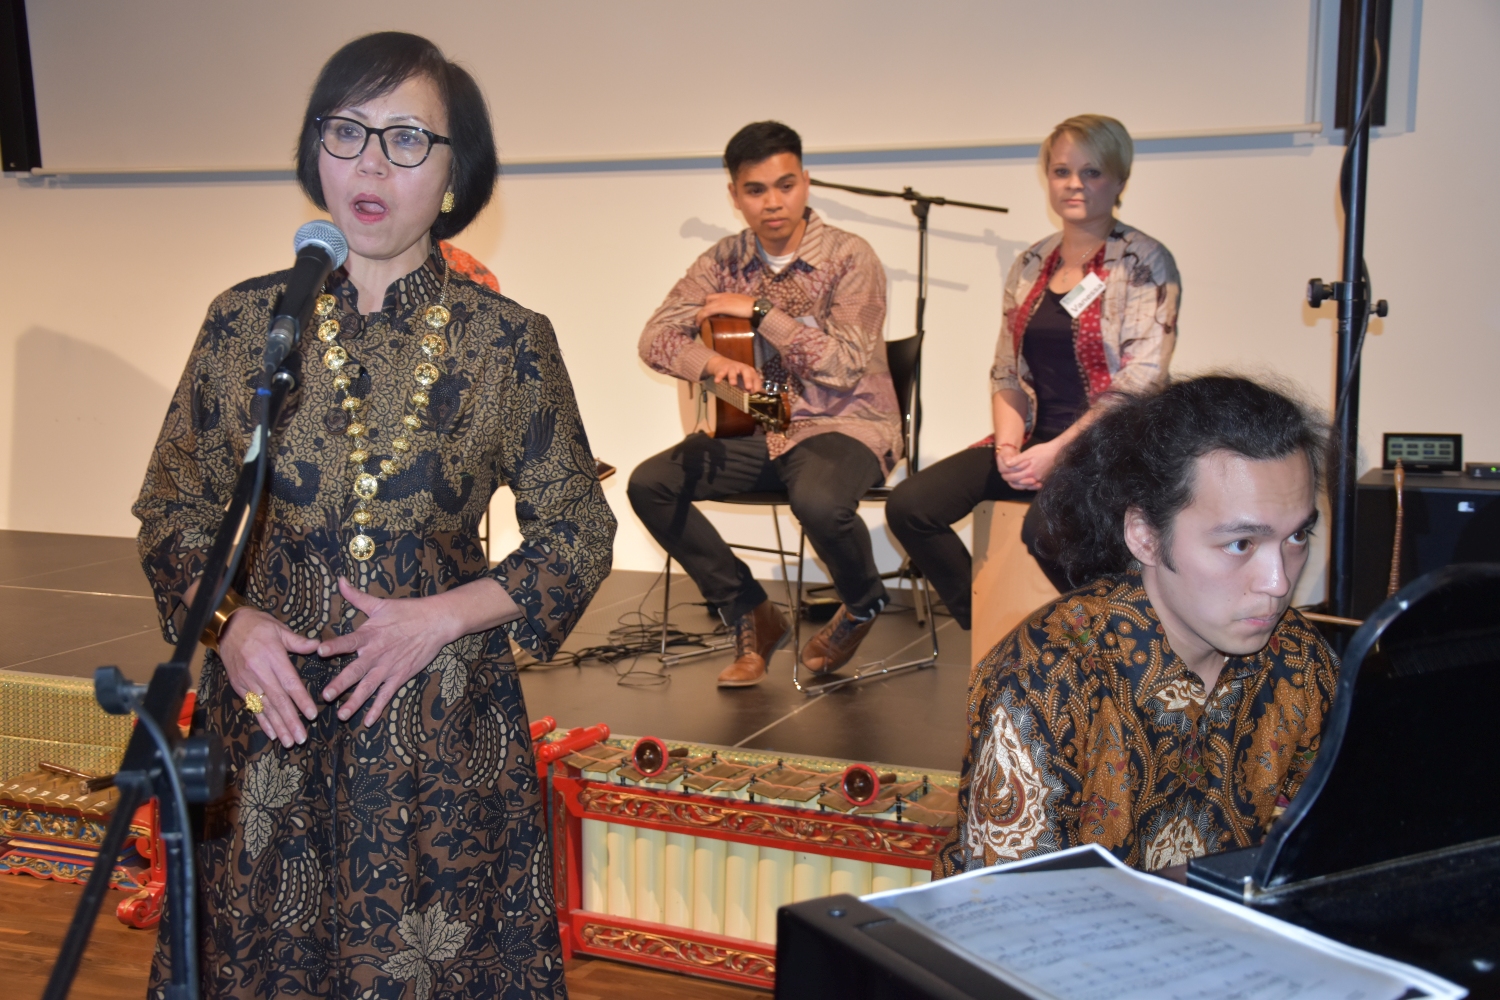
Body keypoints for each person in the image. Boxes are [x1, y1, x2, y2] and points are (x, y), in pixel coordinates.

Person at [133, 32, 614, 998]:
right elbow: (173, 512)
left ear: (455, 172)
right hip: (271, 722)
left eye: (406, 139)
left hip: (437, 732)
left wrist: (440, 618)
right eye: (346, 131)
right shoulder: (246, 322)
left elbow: (578, 532)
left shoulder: (508, 342)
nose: (370, 163)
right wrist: (230, 625)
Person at [936, 376, 1339, 878]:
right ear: (1145, 535)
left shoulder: (1297, 656)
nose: (1278, 582)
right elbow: (1015, 908)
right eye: (1241, 544)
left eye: (1297, 536)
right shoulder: (1047, 678)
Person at [629, 121, 902, 687]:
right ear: (734, 195)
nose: (772, 202)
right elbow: (655, 338)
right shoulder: (721, 260)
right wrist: (711, 364)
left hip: (846, 421)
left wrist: (759, 312)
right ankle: (750, 610)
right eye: (755, 190)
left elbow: (845, 363)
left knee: (818, 501)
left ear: (806, 182)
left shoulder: (851, 256)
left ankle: (862, 602)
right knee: (650, 484)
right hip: (763, 423)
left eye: (785, 185)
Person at [887, 114, 1179, 628]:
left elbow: (1139, 384)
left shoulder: (1144, 261)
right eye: (1062, 171)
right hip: (1031, 441)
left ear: (1120, 180)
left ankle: (1124, 636)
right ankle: (992, 630)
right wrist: (1007, 447)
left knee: (1045, 530)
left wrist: (1058, 452)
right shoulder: (1030, 263)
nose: (1074, 184)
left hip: (1106, 446)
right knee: (910, 506)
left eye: (1092, 172)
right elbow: (1005, 371)